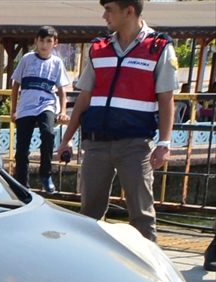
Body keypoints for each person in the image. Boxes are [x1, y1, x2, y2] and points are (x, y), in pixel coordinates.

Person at [58, 0, 177, 242]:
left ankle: (148, 272)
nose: (104, 16)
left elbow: (166, 99)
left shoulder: (159, 47)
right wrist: (66, 139)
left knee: (142, 215)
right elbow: (84, 97)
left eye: (109, 10)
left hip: (135, 146)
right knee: (89, 215)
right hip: (96, 145)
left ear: (129, 11)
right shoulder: (99, 47)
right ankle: (88, 267)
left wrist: (165, 143)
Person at [10, 26, 71, 192]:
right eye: (41, 41)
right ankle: (22, 183)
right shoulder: (27, 59)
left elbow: (61, 90)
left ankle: (46, 174)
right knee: (22, 148)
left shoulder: (57, 63)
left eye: (48, 41)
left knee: (48, 133)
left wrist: (63, 111)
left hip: (46, 104)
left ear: (55, 43)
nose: (44, 45)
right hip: (26, 106)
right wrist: (13, 110)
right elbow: (16, 85)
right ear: (36, 41)